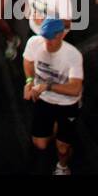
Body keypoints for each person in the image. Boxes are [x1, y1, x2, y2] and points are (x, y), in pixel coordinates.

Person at [22, 17, 84, 175]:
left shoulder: (73, 56)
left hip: (67, 102)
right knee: (40, 144)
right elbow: (28, 61)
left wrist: (47, 86)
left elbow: (75, 89)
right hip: (44, 99)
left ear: (61, 35)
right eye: (44, 37)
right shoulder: (35, 43)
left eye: (50, 39)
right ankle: (58, 128)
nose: (46, 43)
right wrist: (29, 80)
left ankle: (63, 166)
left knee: (62, 148)